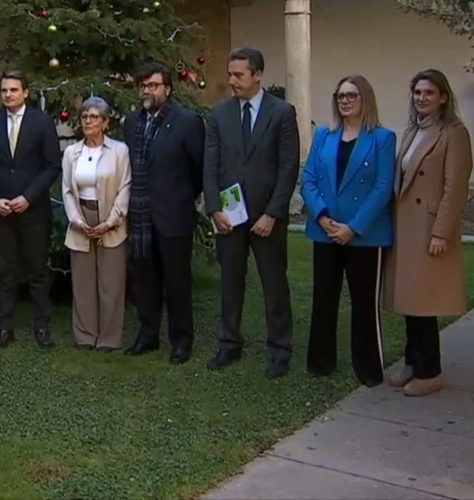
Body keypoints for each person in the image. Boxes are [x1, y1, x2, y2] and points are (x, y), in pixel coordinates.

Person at [203, 47, 300, 379]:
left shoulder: (282, 113)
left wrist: (272, 213)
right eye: (230, 74)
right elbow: (210, 165)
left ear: (257, 74)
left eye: (238, 74)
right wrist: (214, 208)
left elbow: (288, 168)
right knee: (230, 282)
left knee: (274, 284)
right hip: (230, 217)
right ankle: (229, 343)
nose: (232, 80)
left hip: (267, 218)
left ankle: (280, 349)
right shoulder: (219, 115)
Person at [301, 75, 396, 387]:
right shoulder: (324, 136)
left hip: (364, 235)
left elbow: (383, 188)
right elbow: (309, 180)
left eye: (351, 95)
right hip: (325, 231)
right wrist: (324, 218)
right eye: (340, 95)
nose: (344, 101)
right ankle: (320, 362)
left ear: (364, 99)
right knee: (323, 298)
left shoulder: (382, 138)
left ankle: (368, 367)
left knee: (364, 302)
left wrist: (353, 228)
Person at [383, 69, 473, 397]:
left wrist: (441, 232)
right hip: (406, 225)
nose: (422, 98)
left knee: (425, 301)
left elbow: (455, 187)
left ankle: (430, 370)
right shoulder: (411, 131)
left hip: (428, 228)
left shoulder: (454, 133)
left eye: (429, 93)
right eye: (418, 92)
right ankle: (412, 361)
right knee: (410, 299)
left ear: (443, 97)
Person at [122, 62, 205, 365]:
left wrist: (183, 198)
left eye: (153, 85)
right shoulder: (132, 122)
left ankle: (181, 341)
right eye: (143, 86)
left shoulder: (187, 121)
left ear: (167, 89)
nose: (147, 90)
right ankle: (147, 335)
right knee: (145, 279)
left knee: (177, 282)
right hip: (141, 215)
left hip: (174, 214)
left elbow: (198, 169)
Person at [0, 70, 61, 348]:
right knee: (4, 271)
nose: (8, 95)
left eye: (13, 90)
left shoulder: (42, 123)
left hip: (32, 211)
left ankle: (42, 326)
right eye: (4, 90)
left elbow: (52, 166)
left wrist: (28, 197)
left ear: (25, 92)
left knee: (37, 271)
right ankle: (5, 327)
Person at [61, 97, 132, 351]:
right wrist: (77, 220)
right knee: (83, 282)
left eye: (93, 117)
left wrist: (111, 221)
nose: (88, 121)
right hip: (82, 220)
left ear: (105, 122)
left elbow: (125, 187)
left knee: (111, 282)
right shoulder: (72, 152)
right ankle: (84, 336)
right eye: (84, 117)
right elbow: (67, 190)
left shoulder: (119, 151)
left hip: (110, 221)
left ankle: (109, 338)